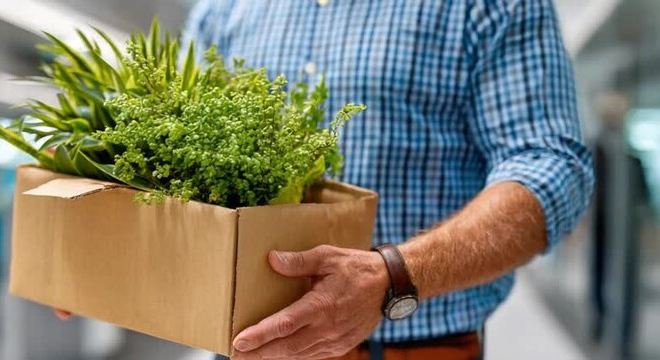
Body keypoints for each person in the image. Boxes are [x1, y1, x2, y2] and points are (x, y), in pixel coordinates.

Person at [59, 0, 595, 359]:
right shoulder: (224, 8)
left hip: (409, 347)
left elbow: (551, 165)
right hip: (247, 346)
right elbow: (173, 165)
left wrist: (395, 276)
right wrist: (110, 258)